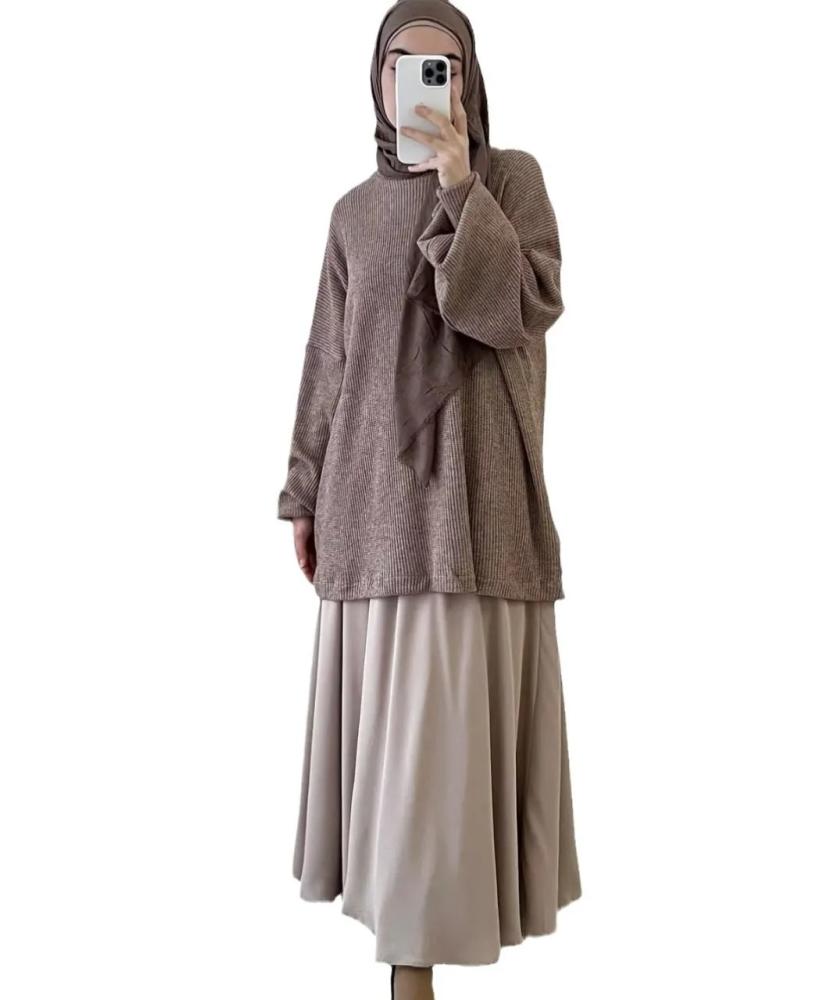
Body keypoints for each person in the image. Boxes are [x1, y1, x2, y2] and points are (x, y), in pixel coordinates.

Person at [276, 1, 582, 996]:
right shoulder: (351, 214)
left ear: (469, 80)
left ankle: (415, 973)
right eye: (400, 64)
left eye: (440, 66)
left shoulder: (511, 180)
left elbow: (523, 308)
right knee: (399, 761)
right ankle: (409, 972)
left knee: (446, 758)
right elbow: (330, 361)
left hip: (478, 516)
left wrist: (459, 187)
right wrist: (303, 491)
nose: (418, 81)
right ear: (376, 80)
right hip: (374, 513)